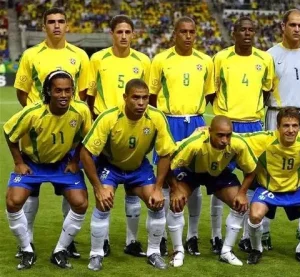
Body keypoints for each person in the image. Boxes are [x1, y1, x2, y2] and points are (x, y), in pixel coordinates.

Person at [13, 7, 90, 258]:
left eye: (61, 21)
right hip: (36, 136)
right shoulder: (31, 55)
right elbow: (22, 91)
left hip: (68, 132)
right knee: (30, 192)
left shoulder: (80, 55)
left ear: (67, 25)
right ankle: (29, 238)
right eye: (51, 22)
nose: (56, 26)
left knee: (70, 187)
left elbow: (82, 95)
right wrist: (38, 119)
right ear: (44, 26)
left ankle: (68, 242)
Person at [80, 79, 175, 270]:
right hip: (111, 166)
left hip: (139, 167)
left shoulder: (156, 117)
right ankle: (96, 254)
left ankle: (154, 252)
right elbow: (85, 153)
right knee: (103, 202)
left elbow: (166, 153)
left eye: (145, 98)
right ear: (125, 98)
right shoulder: (109, 117)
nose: (141, 103)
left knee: (157, 203)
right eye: (136, 98)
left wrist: (158, 188)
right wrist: (98, 188)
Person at [4, 70, 91, 270]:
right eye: (58, 90)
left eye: (68, 90)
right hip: (33, 162)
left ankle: (60, 250)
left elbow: (87, 138)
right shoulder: (33, 112)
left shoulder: (81, 111)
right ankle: (26, 249)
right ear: (48, 92)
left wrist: (75, 160)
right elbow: (9, 133)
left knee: (80, 203)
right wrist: (19, 162)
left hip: (62, 163)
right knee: (13, 201)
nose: (63, 95)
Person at [86, 14, 151, 257]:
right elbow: (89, 96)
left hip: (134, 129)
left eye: (127, 32)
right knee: (104, 188)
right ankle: (100, 242)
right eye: (119, 32)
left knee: (133, 188)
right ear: (111, 34)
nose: (123, 36)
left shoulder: (143, 60)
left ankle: (131, 242)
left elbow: (147, 96)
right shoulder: (98, 59)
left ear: (133, 34)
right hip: (106, 130)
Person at [149, 16, 214, 256]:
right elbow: (152, 95)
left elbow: (209, 94)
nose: (188, 36)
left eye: (192, 32)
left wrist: (193, 113)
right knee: (165, 179)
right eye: (183, 31)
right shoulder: (160, 60)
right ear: (174, 33)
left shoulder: (206, 61)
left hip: (195, 122)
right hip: (168, 122)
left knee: (194, 182)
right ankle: (164, 235)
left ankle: (193, 236)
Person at [212, 16, 274, 253]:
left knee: (255, 180)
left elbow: (266, 91)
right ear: (234, 32)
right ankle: (217, 236)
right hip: (228, 126)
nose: (247, 33)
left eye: (251, 30)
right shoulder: (220, 58)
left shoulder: (265, 59)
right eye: (242, 30)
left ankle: (248, 235)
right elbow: (212, 92)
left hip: (253, 126)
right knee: (220, 179)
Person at [167, 115, 257, 267]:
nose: (225, 140)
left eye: (228, 135)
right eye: (220, 135)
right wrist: (175, 189)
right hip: (191, 172)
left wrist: (242, 193)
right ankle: (178, 251)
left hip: (218, 173)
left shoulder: (238, 144)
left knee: (240, 205)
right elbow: (168, 162)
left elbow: (252, 170)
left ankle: (226, 251)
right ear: (210, 131)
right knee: (177, 202)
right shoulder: (194, 144)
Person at [265, 9, 300, 249]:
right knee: (268, 171)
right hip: (276, 115)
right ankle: (264, 230)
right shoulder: (269, 55)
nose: (297, 29)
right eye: (293, 25)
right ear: (283, 26)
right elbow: (263, 92)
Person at [243, 107, 300, 265]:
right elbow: (237, 138)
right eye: (286, 126)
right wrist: (209, 130)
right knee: (255, 215)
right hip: (269, 189)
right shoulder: (264, 139)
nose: (290, 130)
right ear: (277, 127)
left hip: (296, 190)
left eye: (295, 126)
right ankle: (256, 248)